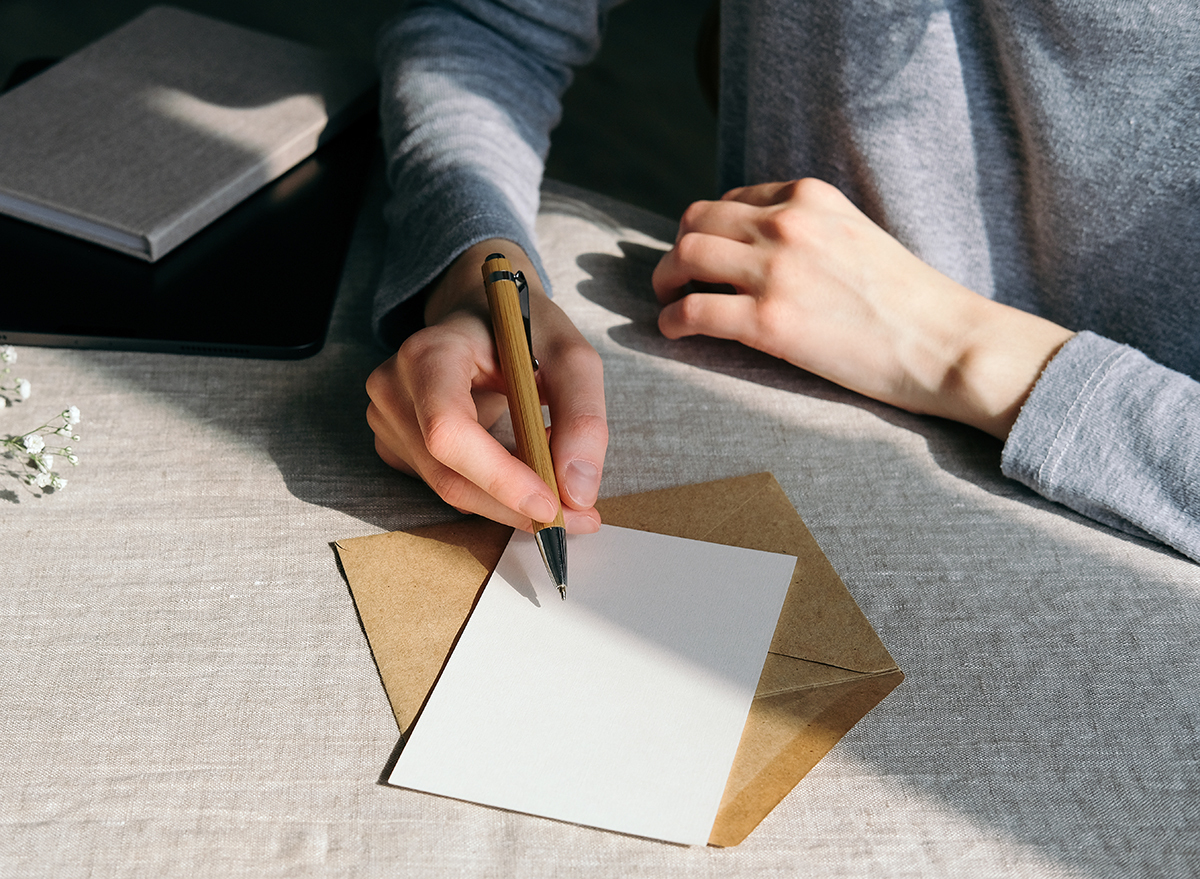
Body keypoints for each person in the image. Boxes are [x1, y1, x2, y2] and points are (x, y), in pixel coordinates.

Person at [364, 0, 1200, 562]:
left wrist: (958, 346)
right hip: (759, 398)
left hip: (1128, 544)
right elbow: (491, 27)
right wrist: (474, 265)